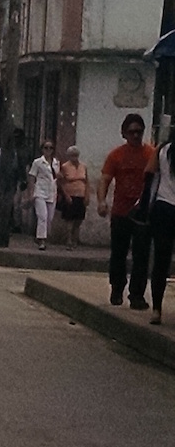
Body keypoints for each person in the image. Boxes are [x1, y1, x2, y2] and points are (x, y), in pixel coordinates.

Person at [97, 113, 154, 309]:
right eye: (132, 132)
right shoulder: (116, 155)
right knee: (119, 253)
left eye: (139, 132)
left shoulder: (151, 154)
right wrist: (101, 201)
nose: (136, 136)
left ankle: (137, 295)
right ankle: (117, 288)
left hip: (142, 215)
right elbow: (105, 179)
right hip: (121, 212)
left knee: (141, 255)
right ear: (124, 133)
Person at [132, 127, 175, 325]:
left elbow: (148, 173)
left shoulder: (162, 150)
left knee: (161, 260)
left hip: (163, 208)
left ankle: (157, 310)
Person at [28, 140, 60, 250]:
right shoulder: (37, 162)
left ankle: (40, 236)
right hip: (40, 191)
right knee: (42, 216)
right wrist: (31, 192)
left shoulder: (56, 163)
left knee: (49, 218)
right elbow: (32, 177)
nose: (48, 150)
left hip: (52, 192)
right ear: (42, 149)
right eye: (46, 148)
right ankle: (42, 240)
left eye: (50, 148)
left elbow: (57, 178)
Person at [58, 145, 90, 249]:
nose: (74, 157)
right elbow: (61, 182)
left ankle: (75, 239)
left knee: (78, 219)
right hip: (70, 195)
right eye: (72, 155)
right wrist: (66, 195)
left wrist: (87, 195)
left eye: (76, 155)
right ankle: (69, 240)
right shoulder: (64, 166)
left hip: (81, 195)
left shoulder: (83, 166)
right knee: (69, 219)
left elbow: (87, 182)